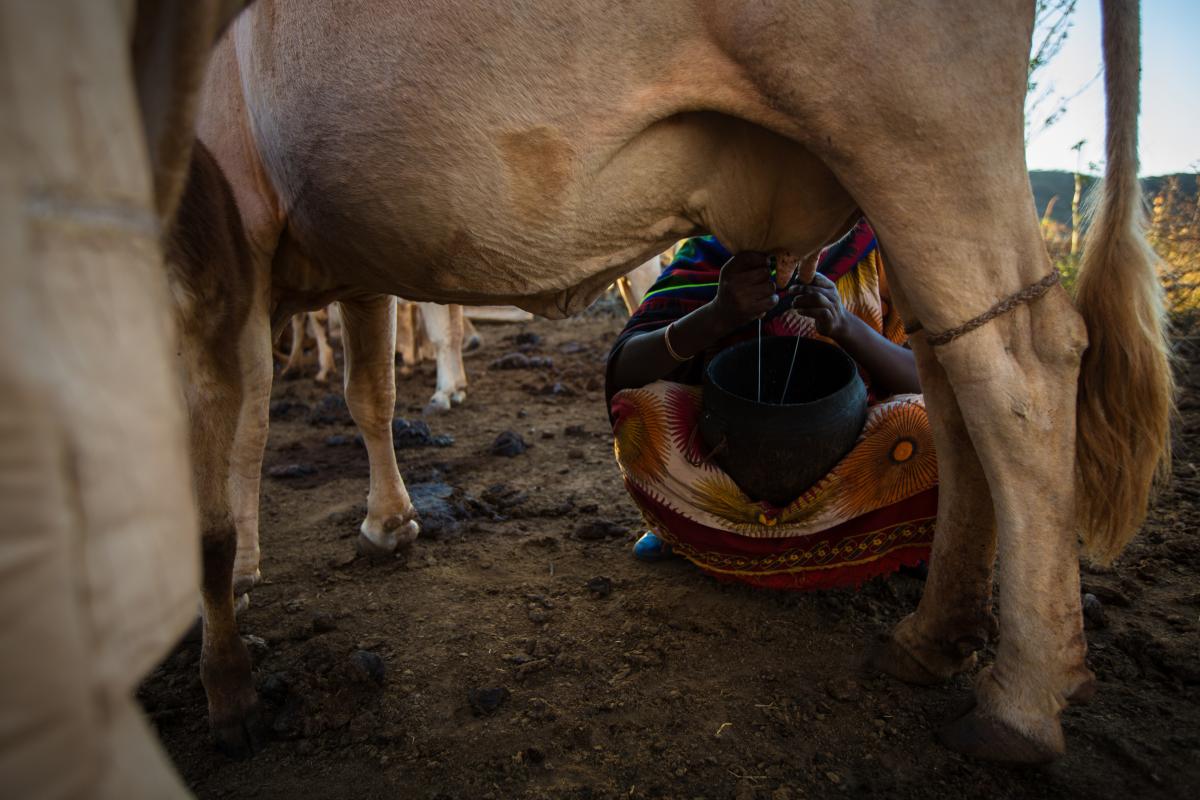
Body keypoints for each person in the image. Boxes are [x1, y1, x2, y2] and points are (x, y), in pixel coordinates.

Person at [606, 220, 937, 590]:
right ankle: (683, 528)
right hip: (725, 472)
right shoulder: (717, 247)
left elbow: (928, 381)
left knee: (928, 427)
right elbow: (625, 369)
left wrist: (845, 325)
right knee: (642, 418)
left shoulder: (876, 248)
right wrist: (717, 314)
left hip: (852, 470)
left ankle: (887, 535)